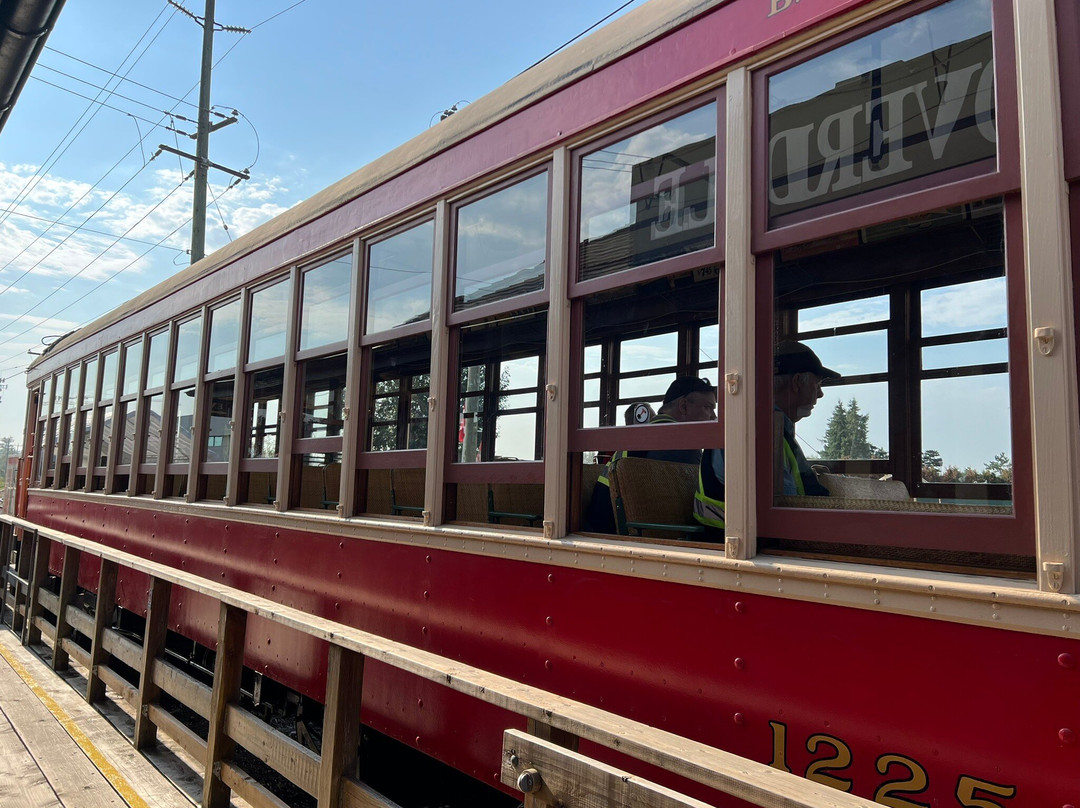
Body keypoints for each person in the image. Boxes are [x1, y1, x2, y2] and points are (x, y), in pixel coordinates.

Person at [694, 341, 840, 537]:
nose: (820, 394)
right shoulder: (757, 429)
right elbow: (785, 506)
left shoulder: (771, 425)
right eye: (818, 384)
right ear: (797, 382)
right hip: (740, 544)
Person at [584, 377, 717, 534]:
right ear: (683, 406)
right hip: (616, 538)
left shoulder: (647, 436)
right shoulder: (679, 442)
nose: (714, 417)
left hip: (599, 530)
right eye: (708, 407)